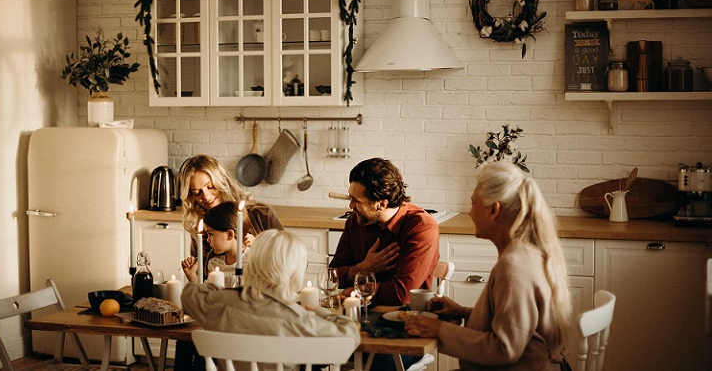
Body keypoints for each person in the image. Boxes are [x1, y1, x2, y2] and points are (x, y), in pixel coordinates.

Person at [403, 161, 573, 370]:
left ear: (494, 210)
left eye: (473, 203)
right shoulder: (527, 252)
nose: (471, 212)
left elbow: (505, 348)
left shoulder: (514, 265)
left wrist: (440, 330)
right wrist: (463, 312)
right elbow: (518, 324)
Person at [182, 229, 361, 371]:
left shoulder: (219, 303)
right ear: (295, 271)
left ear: (252, 263)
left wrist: (226, 292)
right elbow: (349, 334)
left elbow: (190, 293)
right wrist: (315, 309)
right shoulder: (301, 319)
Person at [330, 157, 440, 306]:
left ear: (381, 204)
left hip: (405, 320)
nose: (351, 205)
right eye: (351, 198)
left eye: (357, 201)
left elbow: (402, 294)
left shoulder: (421, 227)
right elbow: (333, 275)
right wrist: (362, 269)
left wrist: (353, 290)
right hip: (359, 313)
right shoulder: (356, 221)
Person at [177, 154, 283, 280]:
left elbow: (291, 258)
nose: (206, 196)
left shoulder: (260, 213)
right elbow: (204, 280)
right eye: (197, 193)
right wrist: (205, 253)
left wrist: (260, 245)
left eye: (210, 186)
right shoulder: (201, 226)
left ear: (222, 182)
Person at [182, 201, 282, 287]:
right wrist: (192, 277)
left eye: (210, 234)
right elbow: (207, 296)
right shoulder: (214, 263)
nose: (208, 240)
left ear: (230, 234)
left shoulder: (254, 260)